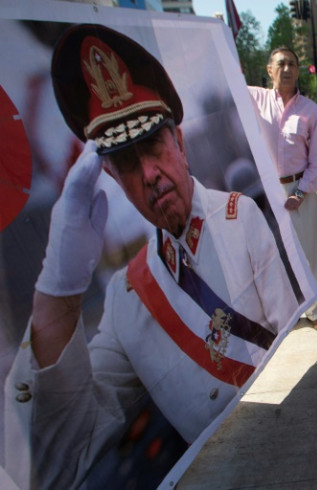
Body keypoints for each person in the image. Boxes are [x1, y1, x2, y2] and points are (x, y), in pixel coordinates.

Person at [5, 24, 299, 489]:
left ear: (178, 143)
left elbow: (296, 352)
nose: (149, 174)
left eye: (153, 147)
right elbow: (66, 457)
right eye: (126, 162)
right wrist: (58, 290)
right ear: (113, 179)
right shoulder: (126, 302)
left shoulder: (238, 216)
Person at [249, 47, 317, 333]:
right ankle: (287, 313)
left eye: (292, 64)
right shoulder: (254, 98)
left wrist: (302, 191)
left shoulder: (310, 110)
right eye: (280, 64)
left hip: (299, 190)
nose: (286, 69)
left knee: (308, 253)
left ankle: (315, 311)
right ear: (269, 69)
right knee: (272, 256)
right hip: (266, 191)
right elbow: (224, 82)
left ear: (298, 69)